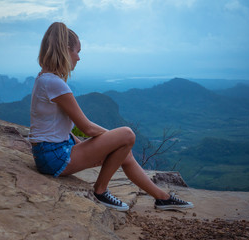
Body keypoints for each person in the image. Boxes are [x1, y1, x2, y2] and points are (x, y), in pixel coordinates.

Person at [28, 22, 194, 212]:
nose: (79, 58)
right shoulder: (54, 84)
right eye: (77, 51)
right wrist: (113, 138)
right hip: (54, 157)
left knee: (124, 149)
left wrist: (112, 142)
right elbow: (87, 128)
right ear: (66, 51)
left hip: (53, 151)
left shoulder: (45, 79)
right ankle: (100, 190)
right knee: (127, 135)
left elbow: (54, 127)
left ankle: (162, 198)